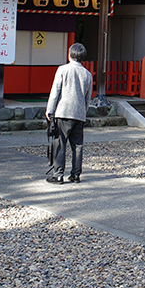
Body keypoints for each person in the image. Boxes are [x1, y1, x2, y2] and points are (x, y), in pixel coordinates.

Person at [45, 43, 94, 184]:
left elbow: (55, 91)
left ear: (69, 55)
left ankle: (58, 174)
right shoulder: (87, 74)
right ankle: (76, 174)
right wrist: (84, 111)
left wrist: (50, 110)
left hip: (63, 111)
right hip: (79, 113)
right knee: (77, 146)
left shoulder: (63, 69)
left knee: (60, 144)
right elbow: (88, 98)